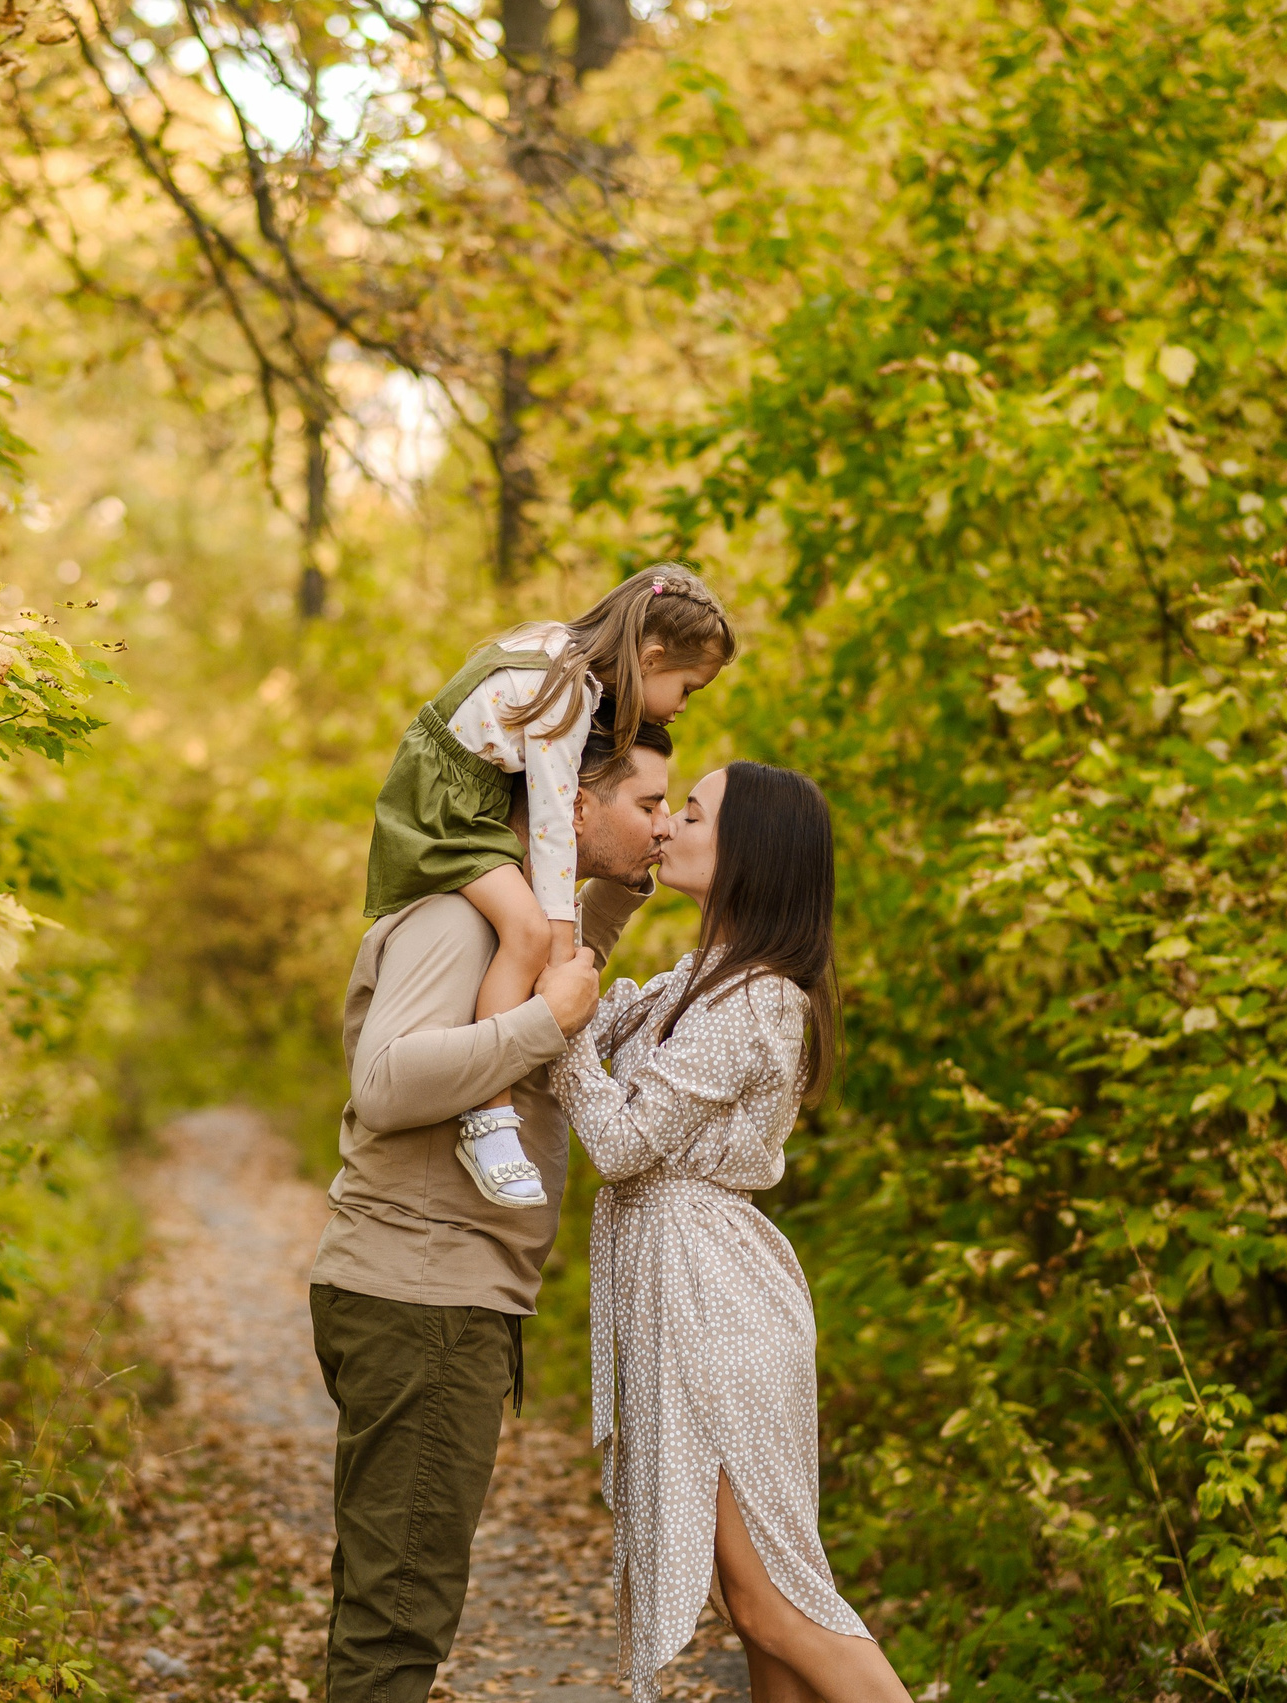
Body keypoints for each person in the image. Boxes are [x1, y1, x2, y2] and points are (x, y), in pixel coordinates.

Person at [311, 720, 677, 1703]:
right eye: (647, 805)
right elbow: (387, 1082)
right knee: (399, 1616)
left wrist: (617, 895)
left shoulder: (519, 923)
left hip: (433, 1291)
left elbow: (557, 980)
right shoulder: (457, 920)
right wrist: (539, 1023)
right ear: (571, 806)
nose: (663, 825)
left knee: (388, 1593)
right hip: (421, 1293)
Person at [553, 763, 918, 1703]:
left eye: (691, 812)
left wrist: (556, 1031)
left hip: (716, 1302)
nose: (668, 824)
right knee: (756, 1613)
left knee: (776, 1604)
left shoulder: (756, 998)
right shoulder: (698, 982)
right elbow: (588, 1020)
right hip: (691, 1289)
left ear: (747, 851)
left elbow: (623, 1140)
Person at [362, 565, 733, 1210]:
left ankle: (493, 1112)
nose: (680, 706)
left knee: (536, 935)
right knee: (532, 932)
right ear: (648, 657)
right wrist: (558, 943)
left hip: (452, 798)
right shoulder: (567, 698)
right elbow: (555, 830)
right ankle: (489, 1119)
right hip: (448, 812)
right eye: (687, 689)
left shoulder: (561, 656)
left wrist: (599, 911)